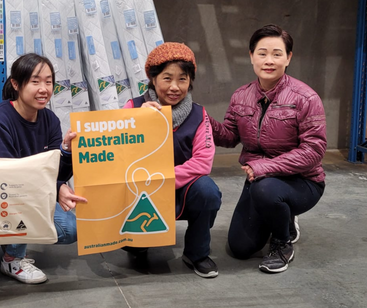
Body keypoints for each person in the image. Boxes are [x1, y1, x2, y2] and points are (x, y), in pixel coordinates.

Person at [210, 24, 327, 274]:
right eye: (262, 53)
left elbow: (314, 151)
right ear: (251, 56)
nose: (269, 60)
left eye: (277, 54)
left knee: (265, 189)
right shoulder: (241, 96)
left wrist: (265, 167)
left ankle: (282, 243)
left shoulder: (305, 98)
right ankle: (283, 219)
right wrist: (199, 118)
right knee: (240, 248)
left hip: (302, 182)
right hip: (261, 180)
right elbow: (230, 136)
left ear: (288, 58)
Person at [0, 53, 87, 284]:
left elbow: (57, 173)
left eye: (48, 82)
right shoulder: (0, 120)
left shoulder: (50, 120)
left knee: (71, 229)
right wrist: (56, 189)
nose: (43, 89)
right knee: (21, 196)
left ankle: (16, 236)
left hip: (32, 194)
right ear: (16, 84)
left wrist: (66, 151)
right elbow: (9, 177)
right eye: (35, 81)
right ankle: (11, 258)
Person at [122, 42, 222, 278]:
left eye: (183, 79)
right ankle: (138, 242)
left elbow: (203, 162)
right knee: (134, 249)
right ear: (153, 80)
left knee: (207, 191)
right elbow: (121, 156)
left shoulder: (199, 114)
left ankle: (197, 253)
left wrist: (162, 179)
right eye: (167, 78)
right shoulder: (133, 107)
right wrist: (138, 120)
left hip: (179, 187)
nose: (175, 87)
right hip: (141, 189)